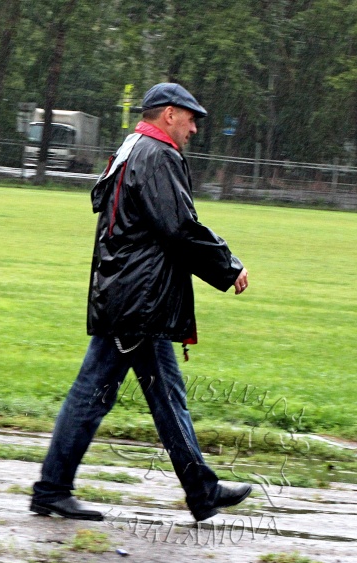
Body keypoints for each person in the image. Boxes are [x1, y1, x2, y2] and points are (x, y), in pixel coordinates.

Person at [30, 83, 252, 522]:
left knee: (157, 396)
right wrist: (227, 266)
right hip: (139, 302)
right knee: (100, 396)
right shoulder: (158, 154)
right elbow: (180, 227)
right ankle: (52, 489)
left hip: (126, 295)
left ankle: (200, 491)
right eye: (190, 118)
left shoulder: (131, 148)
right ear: (169, 114)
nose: (193, 128)